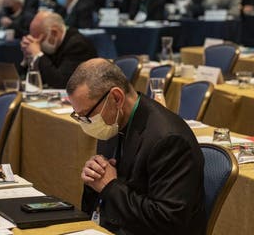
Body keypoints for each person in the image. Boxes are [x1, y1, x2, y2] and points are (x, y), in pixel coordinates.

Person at [68, 58, 205, 234]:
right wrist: (94, 179)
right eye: (78, 116)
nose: (85, 123)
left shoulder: (168, 139)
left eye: (86, 114)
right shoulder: (112, 122)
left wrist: (109, 186)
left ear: (116, 98)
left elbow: (167, 220)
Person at [20, 11, 97, 88]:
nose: (36, 44)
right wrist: (28, 57)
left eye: (40, 40)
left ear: (54, 32)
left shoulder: (78, 45)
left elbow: (61, 82)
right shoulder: (52, 44)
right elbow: (30, 81)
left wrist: (37, 54)